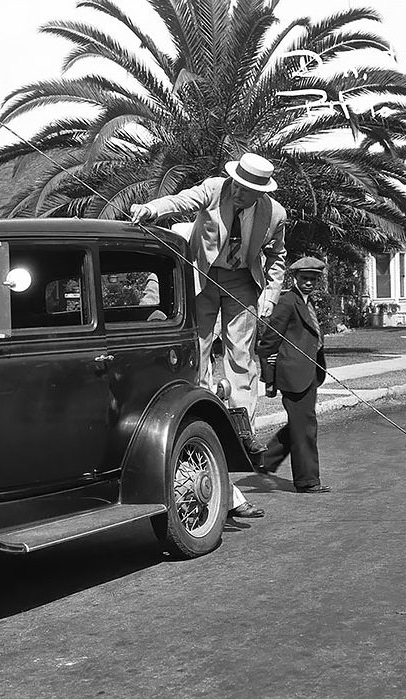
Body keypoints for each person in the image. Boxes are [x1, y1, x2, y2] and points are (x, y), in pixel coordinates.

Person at [131, 153, 287, 520]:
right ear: (234, 181)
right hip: (203, 277)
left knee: (242, 359)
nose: (242, 196)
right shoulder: (214, 190)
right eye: (241, 188)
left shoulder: (275, 213)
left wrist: (270, 295)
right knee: (198, 348)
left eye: (252, 192)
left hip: (242, 283)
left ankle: (241, 428)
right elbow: (180, 201)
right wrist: (151, 209)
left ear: (261, 192)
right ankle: (200, 407)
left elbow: (278, 256)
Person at [256, 256, 331, 494]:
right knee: (305, 426)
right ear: (295, 278)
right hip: (293, 376)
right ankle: (307, 481)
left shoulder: (307, 302)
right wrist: (270, 379)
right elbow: (268, 342)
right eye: (305, 278)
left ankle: (263, 461)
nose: (309, 283)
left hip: (309, 373)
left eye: (313, 279)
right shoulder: (287, 301)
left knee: (299, 424)